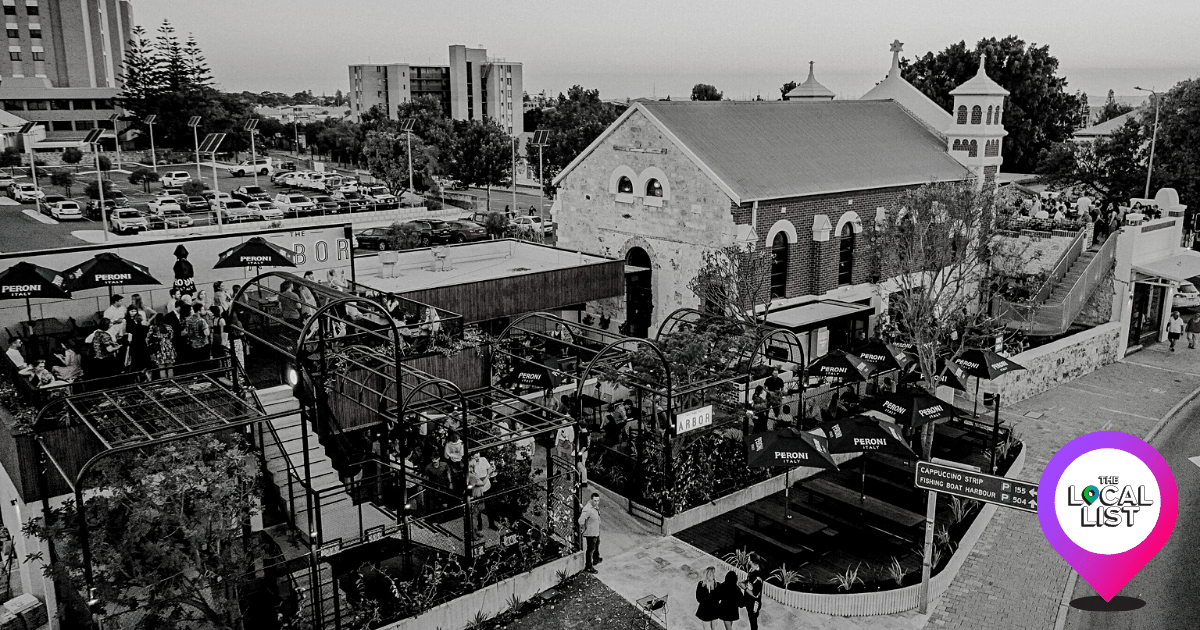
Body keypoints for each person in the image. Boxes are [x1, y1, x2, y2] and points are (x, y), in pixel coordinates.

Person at [468, 451, 494, 530]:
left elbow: (489, 468)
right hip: (479, 491)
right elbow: (480, 482)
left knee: (490, 506)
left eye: (478, 457)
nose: (478, 459)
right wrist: (488, 475)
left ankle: (491, 523)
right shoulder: (471, 467)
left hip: (487, 487)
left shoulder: (483, 459)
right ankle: (479, 526)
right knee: (478, 509)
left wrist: (491, 469)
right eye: (476, 458)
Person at [579, 492, 601, 573]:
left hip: (596, 530)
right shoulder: (588, 509)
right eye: (595, 500)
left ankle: (596, 558)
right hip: (591, 533)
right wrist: (584, 527)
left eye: (598, 500)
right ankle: (588, 566)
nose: (596, 502)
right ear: (591, 500)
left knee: (597, 543)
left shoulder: (595, 507)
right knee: (590, 549)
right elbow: (581, 520)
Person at [125, 306, 151, 372]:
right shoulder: (145, 328)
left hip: (134, 346)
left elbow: (129, 338)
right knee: (145, 363)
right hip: (143, 346)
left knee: (136, 364)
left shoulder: (131, 327)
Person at [741, 558, 765, 630]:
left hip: (753, 603)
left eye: (749, 559)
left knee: (753, 621)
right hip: (748, 600)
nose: (748, 560)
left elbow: (755, 594)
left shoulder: (757, 577)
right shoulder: (752, 570)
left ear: (753, 562)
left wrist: (744, 587)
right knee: (752, 616)